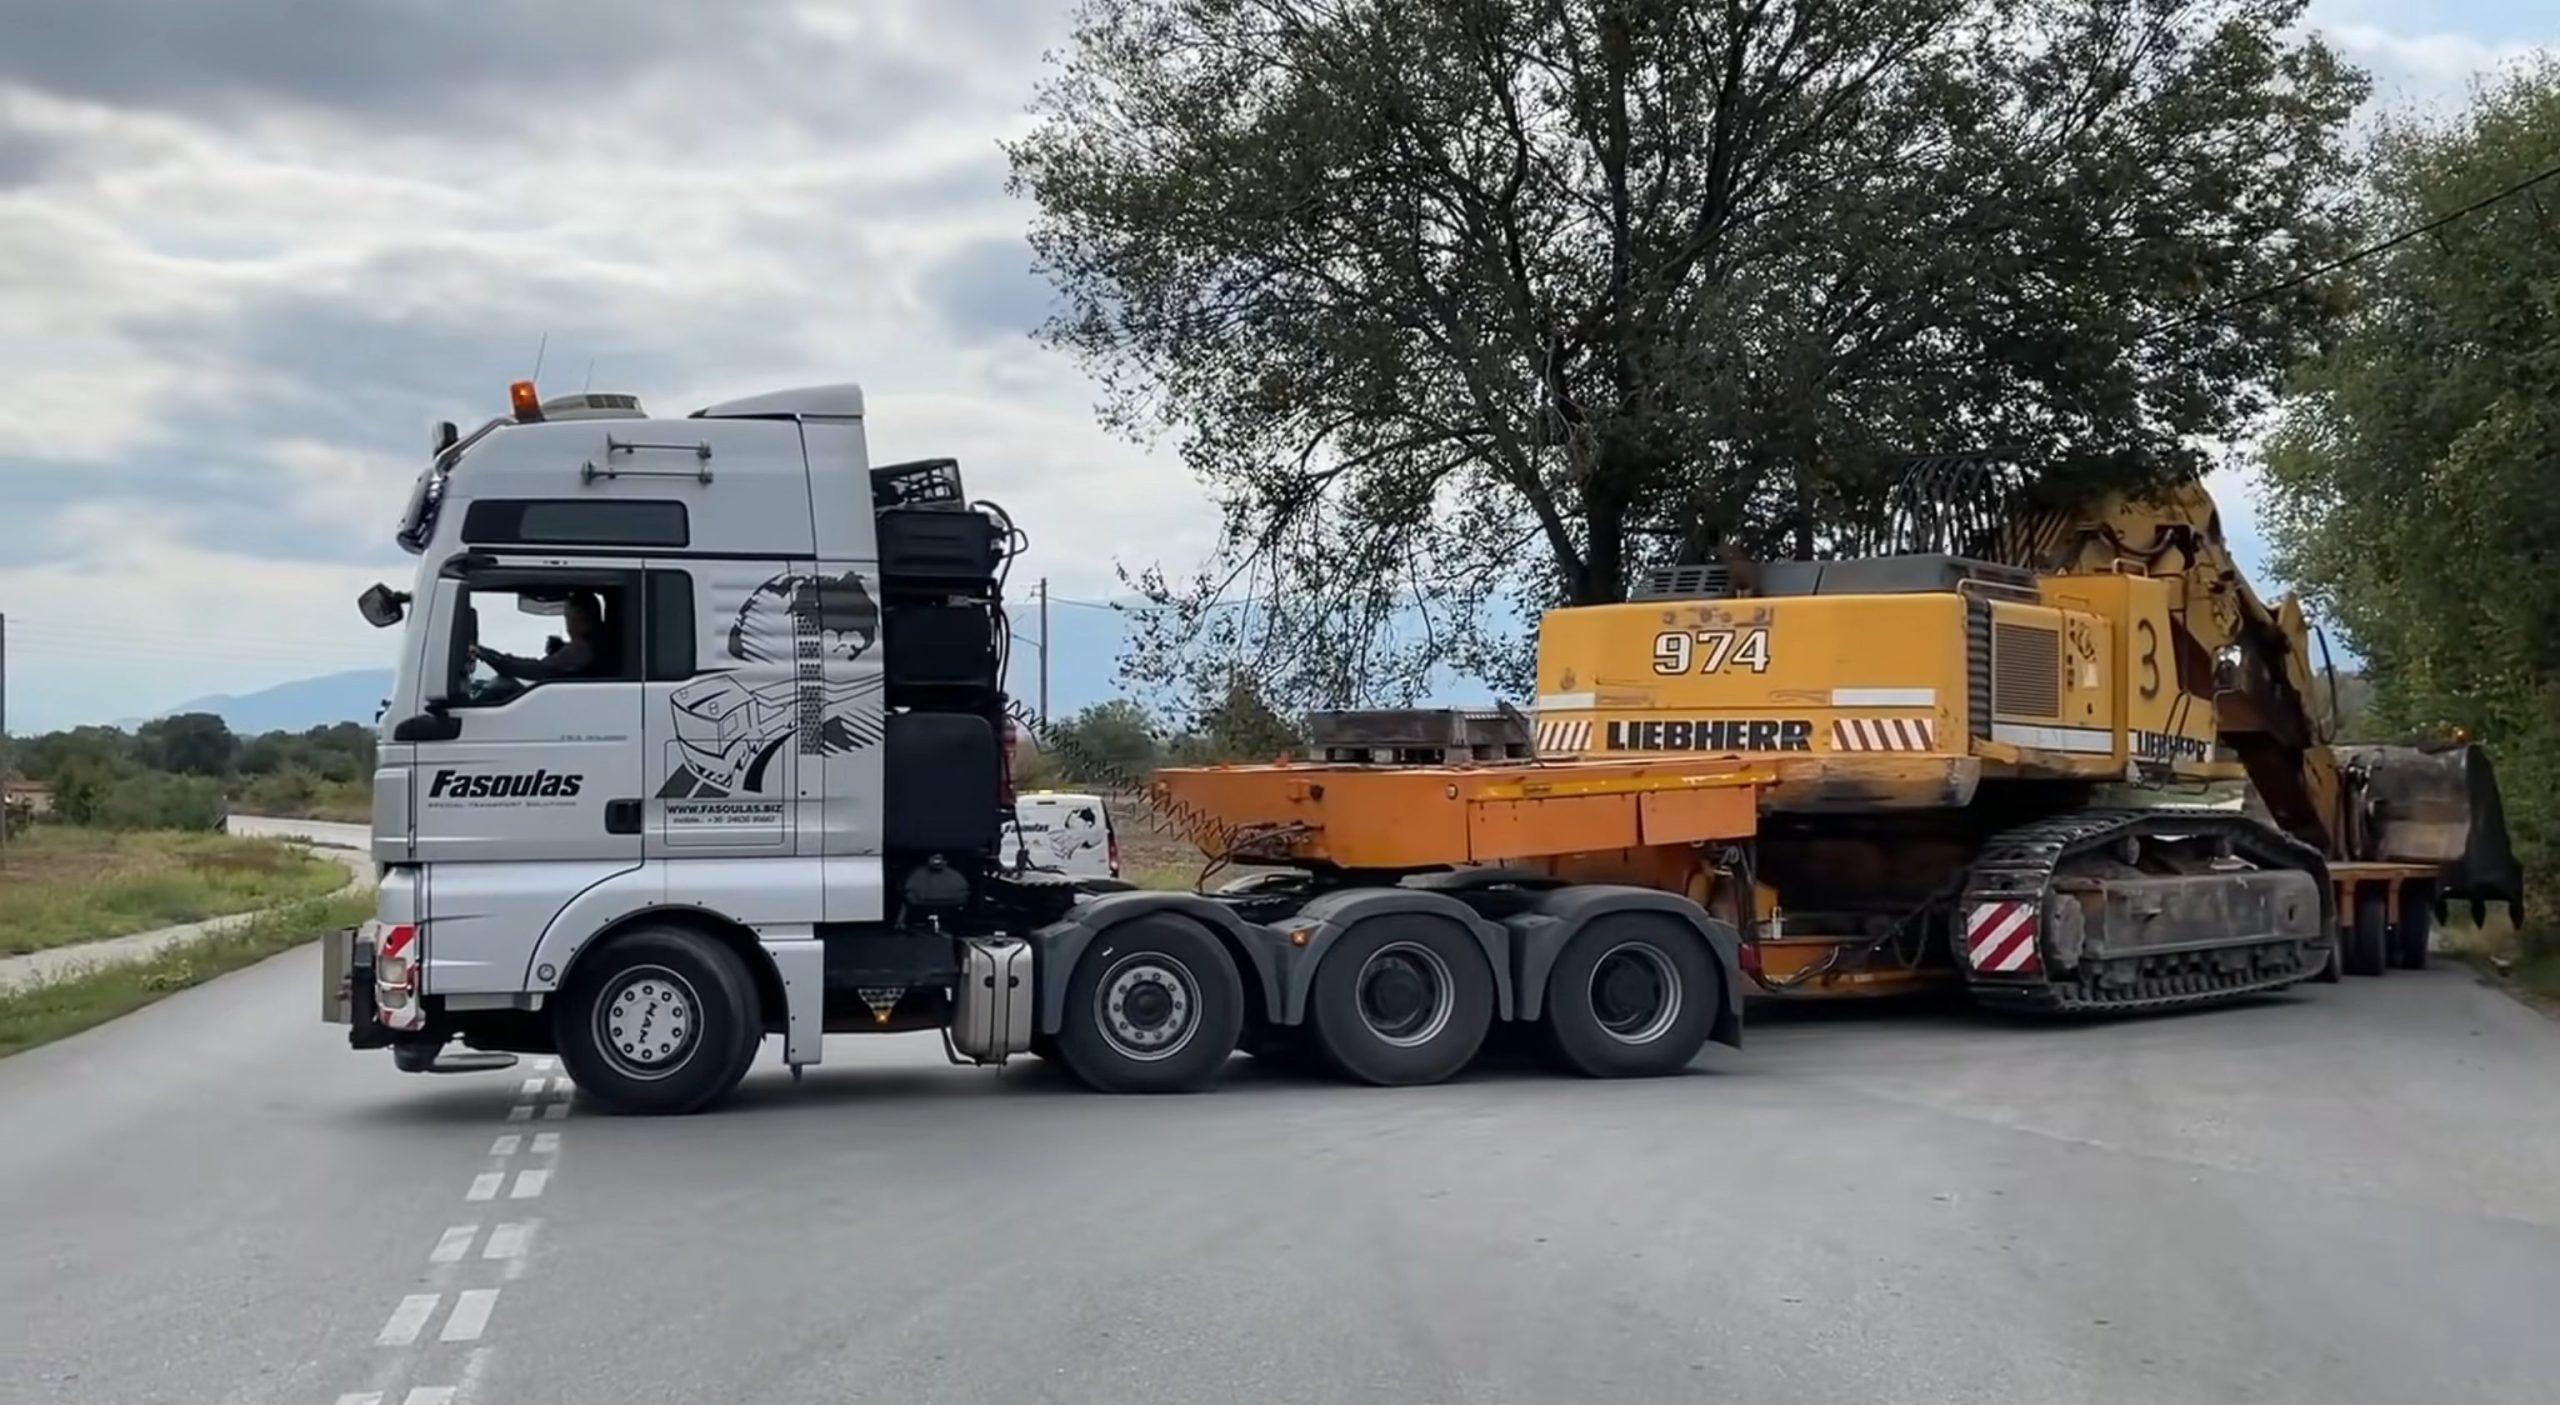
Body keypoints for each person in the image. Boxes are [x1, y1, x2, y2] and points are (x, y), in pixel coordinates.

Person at [472, 590, 608, 683]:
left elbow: (538, 669)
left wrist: (495, 659)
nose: (567, 624)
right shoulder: (593, 645)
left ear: (578, 617)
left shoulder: (581, 648)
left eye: (567, 616)